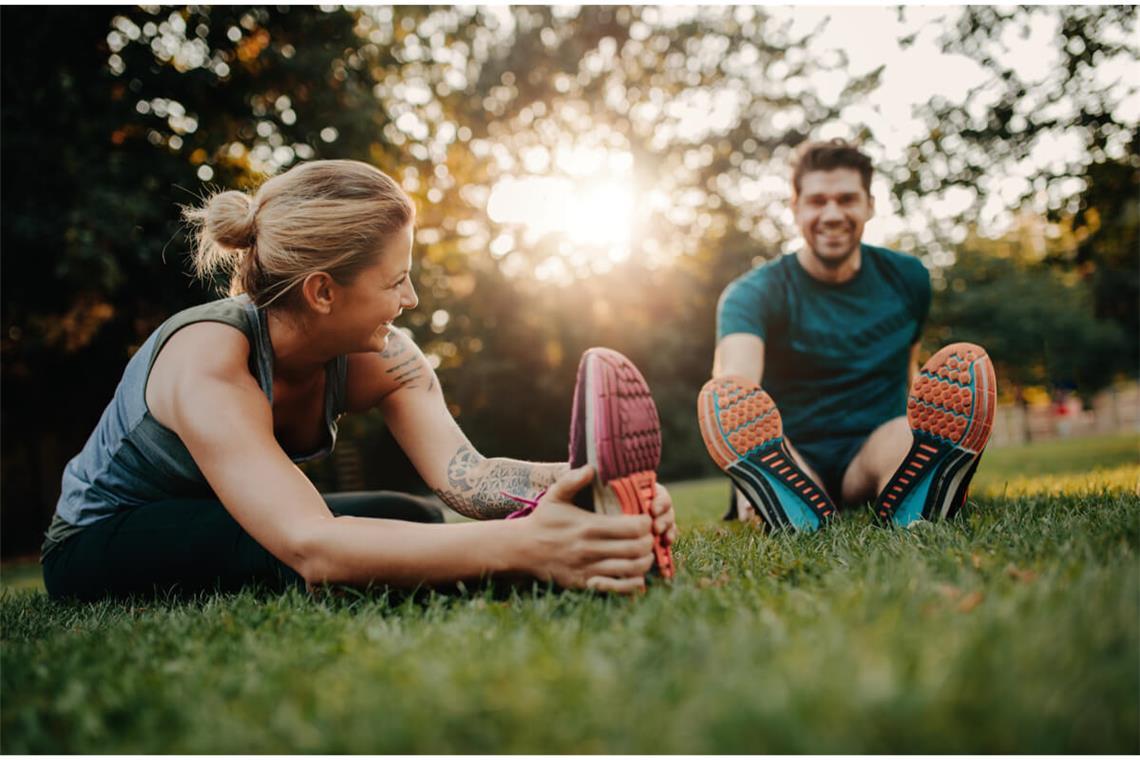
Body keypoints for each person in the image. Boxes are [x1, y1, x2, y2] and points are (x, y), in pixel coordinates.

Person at [42, 159, 675, 600]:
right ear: (322, 291)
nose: (413, 297)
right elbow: (314, 545)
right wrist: (526, 549)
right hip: (106, 536)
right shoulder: (210, 357)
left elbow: (471, 479)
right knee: (303, 558)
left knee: (415, 519)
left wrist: (594, 488)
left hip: (224, 517)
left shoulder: (385, 357)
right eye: (395, 280)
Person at [698, 139, 995, 530]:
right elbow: (735, 389)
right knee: (776, 456)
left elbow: (909, 369)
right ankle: (770, 492)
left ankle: (924, 487)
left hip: (874, 447)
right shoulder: (753, 293)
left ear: (870, 204)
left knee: (906, 439)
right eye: (818, 201)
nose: (833, 214)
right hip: (793, 450)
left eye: (847, 199)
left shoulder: (908, 279)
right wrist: (739, 467)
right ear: (796, 208)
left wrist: (925, 426)